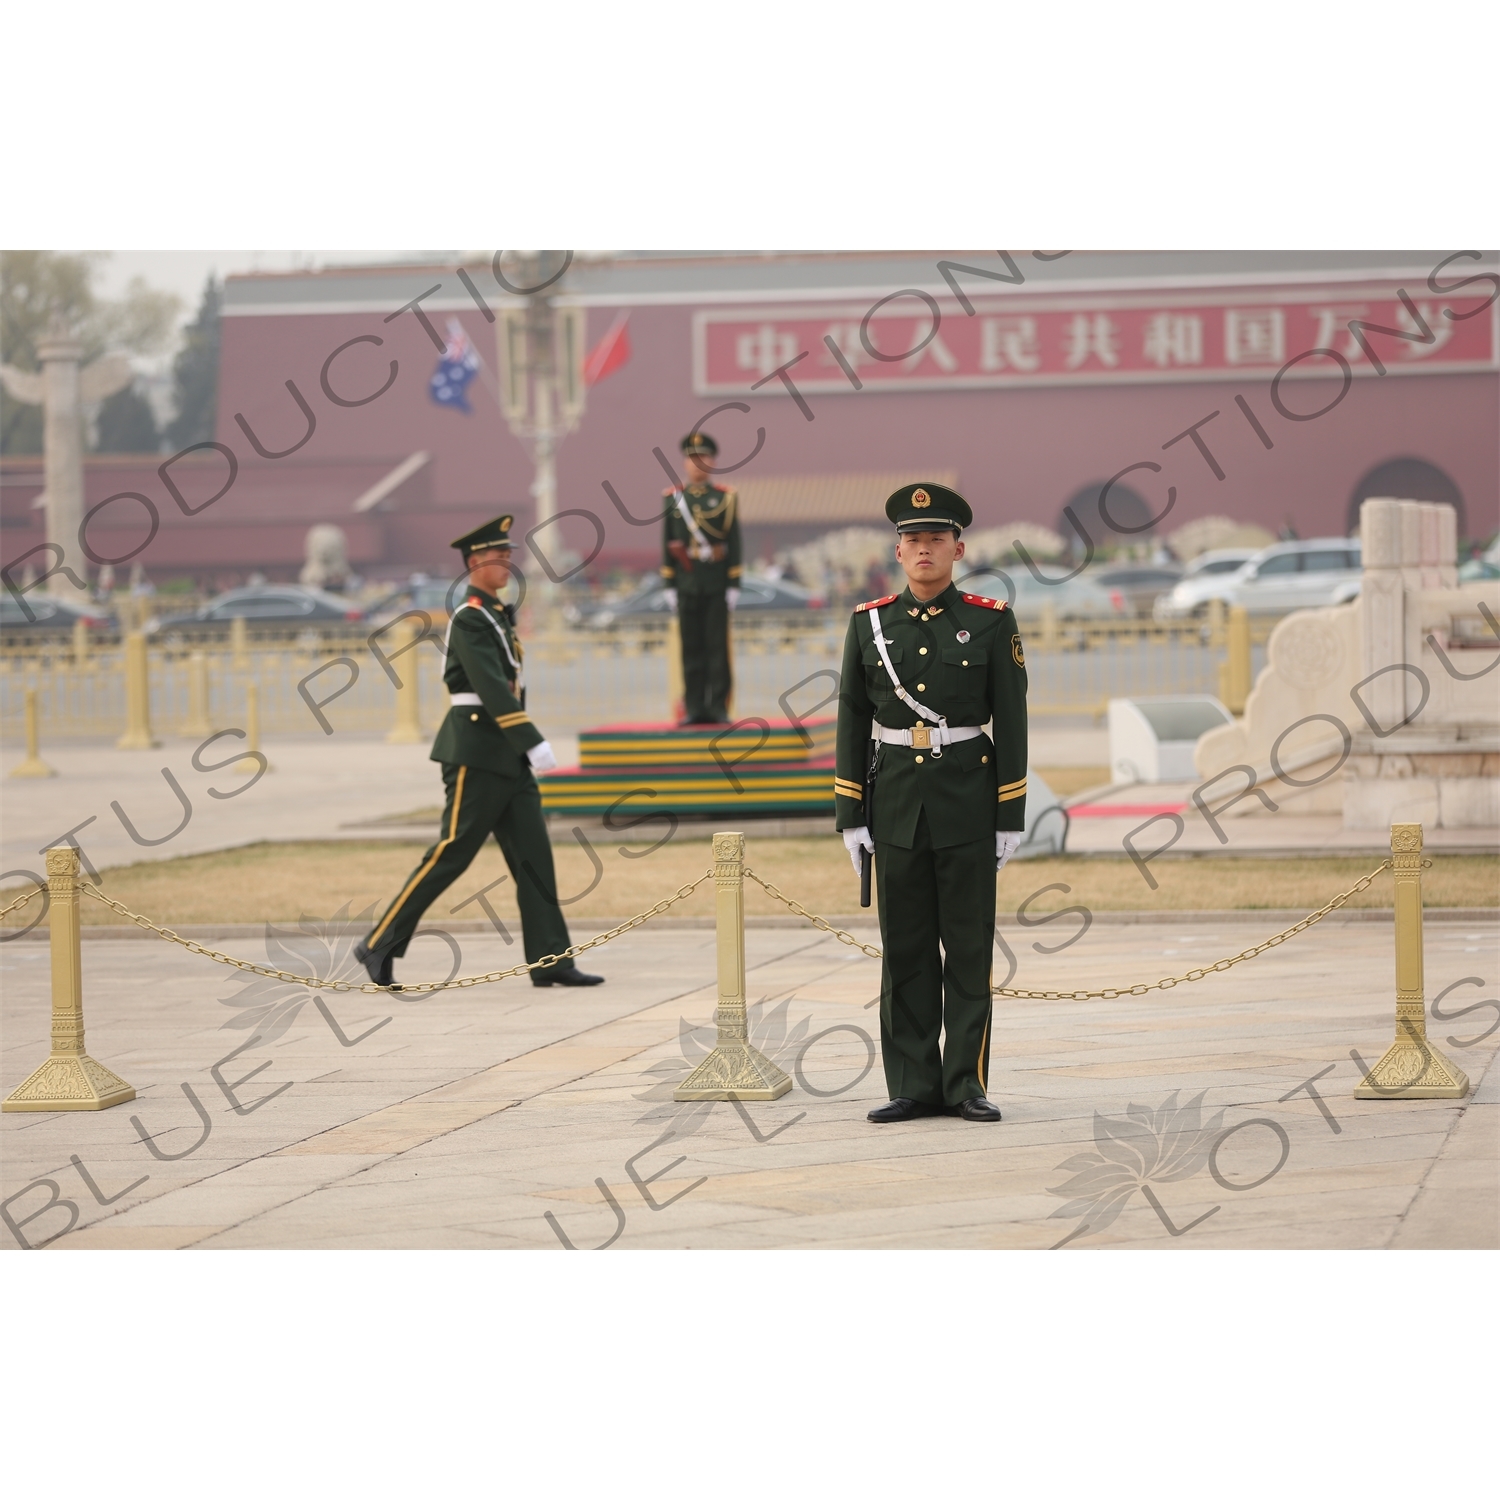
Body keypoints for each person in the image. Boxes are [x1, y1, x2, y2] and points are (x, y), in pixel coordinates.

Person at [834, 483, 1027, 1123]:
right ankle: (913, 1083)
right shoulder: (869, 624)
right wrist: (850, 814)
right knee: (907, 949)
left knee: (967, 948)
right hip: (894, 807)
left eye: (936, 540)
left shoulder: (990, 619)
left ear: (958, 548)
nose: (924, 549)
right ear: (897, 549)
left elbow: (1013, 721)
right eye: (913, 540)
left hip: (968, 803)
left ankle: (965, 1083)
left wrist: (1009, 815)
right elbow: (851, 720)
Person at [354, 515, 603, 990]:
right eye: (498, 556)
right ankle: (379, 943)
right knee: (451, 853)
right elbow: (491, 688)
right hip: (477, 752)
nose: (508, 562)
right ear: (474, 563)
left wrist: (523, 746)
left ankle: (551, 958)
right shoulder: (470, 618)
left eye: (509, 554)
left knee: (534, 856)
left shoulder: (493, 616)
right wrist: (532, 740)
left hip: (506, 754)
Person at [660, 431, 742, 723]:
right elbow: (667, 544)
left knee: (717, 648)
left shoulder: (725, 498)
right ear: (685, 463)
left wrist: (733, 584)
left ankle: (718, 706)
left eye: (703, 457)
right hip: (686, 583)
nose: (697, 463)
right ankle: (694, 707)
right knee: (691, 648)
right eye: (692, 459)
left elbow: (734, 543)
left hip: (716, 583)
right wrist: (669, 584)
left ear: (712, 461)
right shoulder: (672, 499)